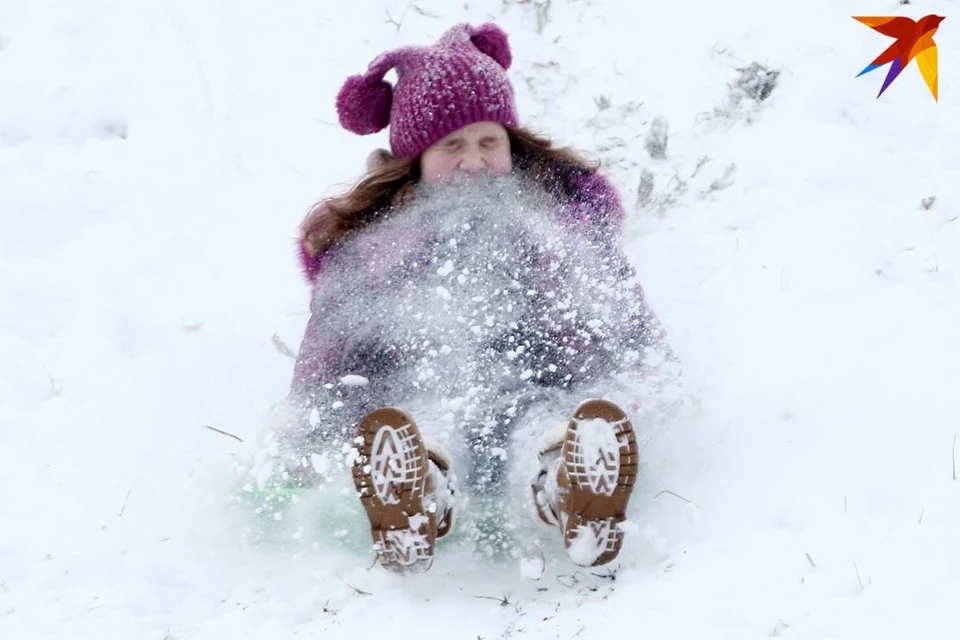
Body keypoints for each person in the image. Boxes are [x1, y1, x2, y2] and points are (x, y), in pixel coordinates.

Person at [275, 22, 679, 574]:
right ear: (414, 159)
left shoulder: (558, 223)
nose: (474, 160)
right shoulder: (373, 250)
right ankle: (418, 496)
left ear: (513, 144)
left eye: (490, 141)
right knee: (429, 423)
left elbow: (626, 326)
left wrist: (643, 392)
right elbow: (326, 368)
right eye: (452, 145)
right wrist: (301, 452)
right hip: (425, 400)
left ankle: (572, 487)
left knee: (549, 424)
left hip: (546, 393)